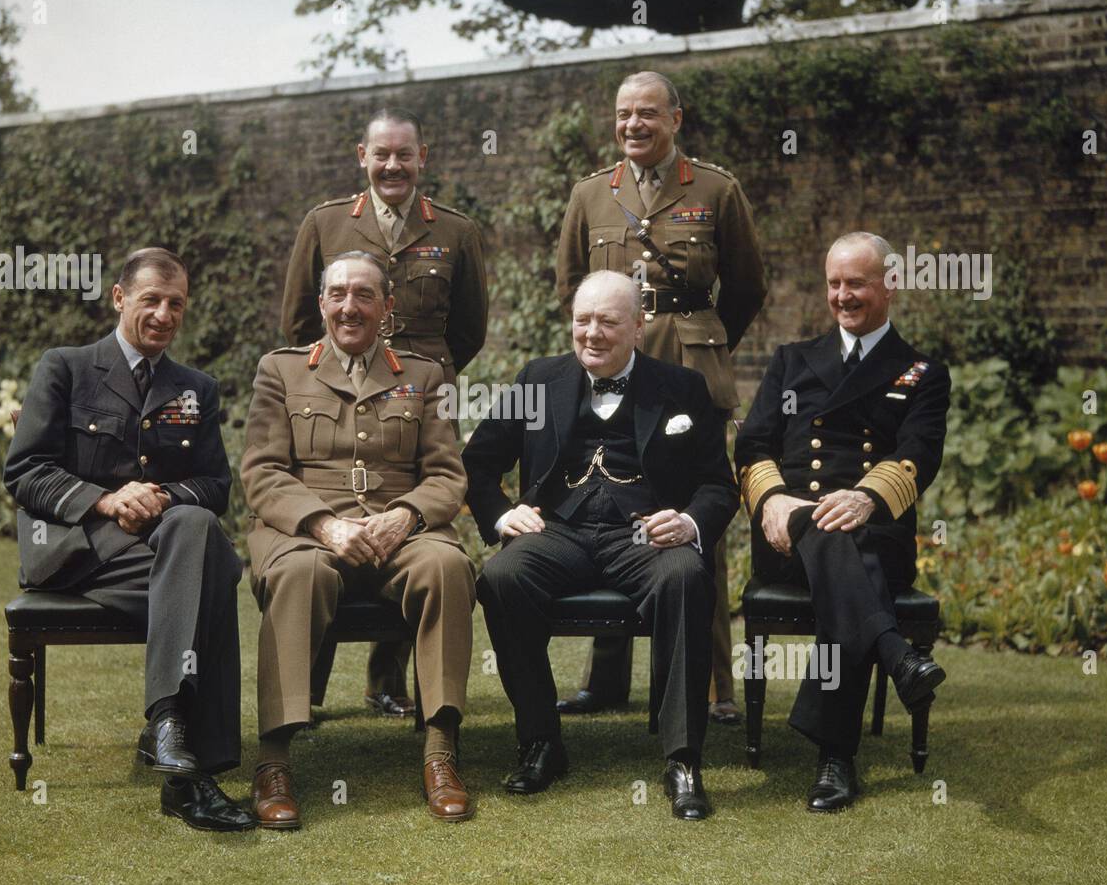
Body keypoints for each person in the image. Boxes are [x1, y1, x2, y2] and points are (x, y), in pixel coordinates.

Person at [463, 272, 739, 821]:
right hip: (555, 531)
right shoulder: (537, 381)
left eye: (608, 322)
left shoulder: (682, 387)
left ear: (639, 327)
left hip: (644, 534)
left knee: (685, 576)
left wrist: (687, 521)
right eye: (583, 321)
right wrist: (500, 515)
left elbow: (718, 484)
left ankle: (683, 759)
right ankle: (541, 742)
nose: (592, 333)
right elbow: (478, 463)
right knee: (501, 578)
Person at [3, 247, 253, 832]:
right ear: (119, 298)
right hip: (78, 552)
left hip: (158, 554)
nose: (165, 315)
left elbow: (215, 485)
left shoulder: (196, 388)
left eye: (177, 305)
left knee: (195, 527)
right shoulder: (65, 368)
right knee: (216, 571)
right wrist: (107, 500)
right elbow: (25, 472)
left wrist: (162, 498)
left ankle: (170, 734)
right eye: (152, 301)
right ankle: (192, 771)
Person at [554, 70, 766, 724]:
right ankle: (607, 678)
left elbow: (748, 285)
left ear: (676, 118)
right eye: (624, 115)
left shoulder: (715, 188)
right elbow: (571, 287)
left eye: (648, 113)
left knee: (701, 513)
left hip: (691, 362)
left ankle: (711, 684)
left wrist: (701, 335)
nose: (634, 126)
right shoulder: (592, 194)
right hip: (618, 364)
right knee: (612, 502)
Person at [243, 251, 476, 829]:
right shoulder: (281, 370)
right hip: (309, 533)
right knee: (300, 574)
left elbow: (448, 475)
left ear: (387, 308)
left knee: (447, 566)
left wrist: (405, 516)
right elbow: (263, 473)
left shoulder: (424, 375)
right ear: (321, 304)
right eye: (339, 294)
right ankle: (274, 760)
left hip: (398, 533)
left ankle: (440, 751)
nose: (351, 306)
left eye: (365, 295)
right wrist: (325, 524)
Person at [281, 108, 488, 718]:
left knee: (410, 519)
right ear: (361, 157)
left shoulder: (456, 231)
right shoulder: (324, 224)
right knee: (332, 510)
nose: (392, 166)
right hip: (333, 392)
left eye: (405, 155)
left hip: (418, 397)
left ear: (423, 157)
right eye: (381, 155)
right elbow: (297, 323)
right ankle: (307, 688)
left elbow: (469, 328)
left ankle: (388, 681)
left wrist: (418, 378)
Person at [734, 232, 950, 812]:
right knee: (832, 542)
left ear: (891, 284)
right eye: (834, 283)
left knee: (847, 551)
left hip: (873, 531)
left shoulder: (922, 372)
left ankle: (837, 754)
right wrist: (774, 499)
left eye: (856, 282)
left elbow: (919, 454)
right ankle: (893, 659)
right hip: (789, 533)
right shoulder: (792, 360)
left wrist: (864, 498)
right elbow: (752, 443)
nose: (842, 296)